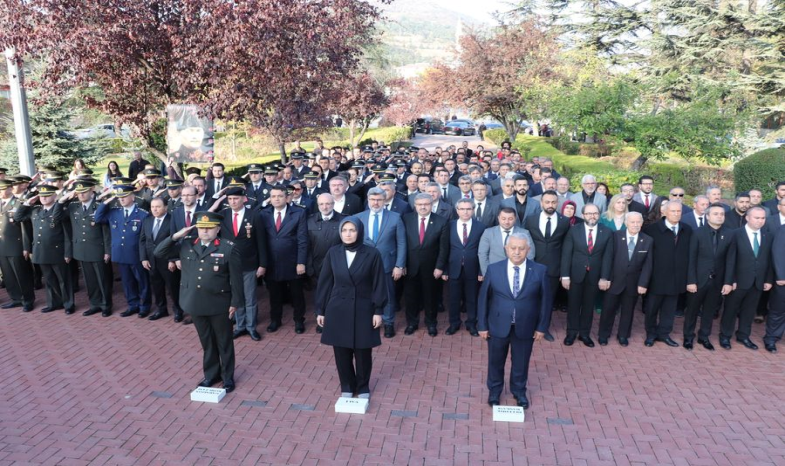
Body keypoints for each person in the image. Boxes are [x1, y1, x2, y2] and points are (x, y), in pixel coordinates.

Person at [154, 212, 243, 393]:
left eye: (209, 228)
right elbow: (159, 252)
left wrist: (235, 302)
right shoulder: (186, 244)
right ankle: (211, 374)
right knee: (207, 341)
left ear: (217, 229)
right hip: (194, 301)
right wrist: (176, 236)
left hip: (219, 302)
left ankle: (227, 377)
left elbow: (236, 279)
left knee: (224, 341)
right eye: (201, 228)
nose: (205, 231)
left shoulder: (228, 248)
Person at [315, 217, 388, 399]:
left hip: (364, 308)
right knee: (341, 351)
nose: (348, 234)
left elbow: (379, 283)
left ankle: (363, 387)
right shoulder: (333, 252)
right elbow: (325, 283)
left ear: (359, 232)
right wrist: (320, 309)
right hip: (338, 308)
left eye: (352, 230)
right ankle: (347, 385)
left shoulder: (372, 254)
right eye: (344, 230)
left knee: (363, 351)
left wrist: (378, 310)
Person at [478, 233, 551, 409]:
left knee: (521, 362)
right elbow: (483, 298)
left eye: (521, 248)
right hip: (497, 325)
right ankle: (495, 391)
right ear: (506, 249)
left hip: (525, 326)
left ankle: (519, 391)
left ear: (528, 249)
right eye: (513, 248)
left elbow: (546, 302)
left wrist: (542, 327)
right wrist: (482, 325)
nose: (517, 252)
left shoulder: (540, 270)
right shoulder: (494, 269)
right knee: (495, 361)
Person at [15, 185, 75, 315]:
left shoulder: (60, 210)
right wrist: (26, 203)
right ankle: (54, 303)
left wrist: (68, 252)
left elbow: (67, 234)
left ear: (54, 196)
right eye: (41, 196)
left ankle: (68, 304)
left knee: (63, 280)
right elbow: (18, 218)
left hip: (58, 251)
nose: (43, 198)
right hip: (41, 251)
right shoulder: (35, 211)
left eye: (47, 195)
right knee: (49, 279)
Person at [719, 207, 774, 350]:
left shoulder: (767, 236)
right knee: (730, 310)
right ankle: (725, 336)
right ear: (747, 218)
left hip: (757, 281)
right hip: (738, 282)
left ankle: (743, 335)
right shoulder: (735, 234)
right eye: (757, 218)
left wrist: (768, 279)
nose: (760, 221)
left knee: (749, 311)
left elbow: (768, 259)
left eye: (763, 218)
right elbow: (730, 260)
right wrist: (730, 281)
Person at [94, 184, 152, 318]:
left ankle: (144, 306)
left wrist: (145, 256)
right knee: (127, 282)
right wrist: (106, 201)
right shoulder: (114, 212)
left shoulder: (142, 214)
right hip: (120, 254)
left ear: (133, 197)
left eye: (124, 196)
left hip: (137, 255)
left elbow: (146, 237)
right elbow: (98, 218)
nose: (122, 199)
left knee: (142, 282)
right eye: (119, 197)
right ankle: (133, 305)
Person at [560, 203, 614, 347]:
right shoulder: (573, 231)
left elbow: (608, 257)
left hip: (594, 276)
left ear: (599, 214)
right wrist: (565, 275)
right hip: (575, 274)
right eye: (589, 213)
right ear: (583, 215)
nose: (592, 216)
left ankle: (584, 334)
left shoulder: (607, 232)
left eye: (595, 213)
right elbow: (566, 254)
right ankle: (571, 333)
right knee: (573, 305)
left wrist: (604, 277)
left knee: (588, 306)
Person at [218, 187, 268, 341]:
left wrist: (262, 264)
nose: (233, 202)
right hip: (229, 265)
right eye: (230, 199)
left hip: (249, 264)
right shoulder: (222, 215)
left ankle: (251, 327)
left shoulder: (254, 215)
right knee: (236, 297)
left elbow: (261, 241)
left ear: (244, 199)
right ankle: (240, 326)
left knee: (250, 298)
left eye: (236, 198)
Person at [357, 188, 406, 338]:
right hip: (364, 265)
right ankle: (369, 322)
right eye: (372, 199)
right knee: (365, 295)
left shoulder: (395, 217)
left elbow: (402, 243)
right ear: (368, 199)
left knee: (388, 296)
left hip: (387, 264)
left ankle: (389, 323)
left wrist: (399, 265)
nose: (375, 202)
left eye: (379, 199)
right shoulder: (358, 217)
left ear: (384, 200)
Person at [598, 212, 652, 346]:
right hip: (614, 281)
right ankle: (603, 334)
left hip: (633, 283)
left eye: (638, 222)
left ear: (642, 223)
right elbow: (608, 258)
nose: (635, 225)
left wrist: (643, 283)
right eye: (632, 222)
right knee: (608, 310)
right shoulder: (615, 236)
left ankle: (623, 335)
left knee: (628, 311)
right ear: (626, 223)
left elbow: (648, 264)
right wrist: (606, 278)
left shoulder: (647, 240)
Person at [260, 186, 309, 333]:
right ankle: (275, 320)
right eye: (273, 196)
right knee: (274, 294)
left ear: (287, 197)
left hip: (292, 261)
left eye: (280, 196)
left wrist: (301, 262)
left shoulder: (299, 213)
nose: (276, 199)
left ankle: (299, 321)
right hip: (271, 262)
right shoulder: (264, 213)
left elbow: (302, 240)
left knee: (297, 294)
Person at [642, 201, 691, 347]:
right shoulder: (651, 230)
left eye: (678, 211)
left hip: (676, 278)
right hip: (656, 277)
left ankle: (664, 334)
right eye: (673, 211)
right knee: (652, 309)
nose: (676, 214)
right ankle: (651, 334)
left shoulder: (686, 230)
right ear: (664, 212)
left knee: (670, 310)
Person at [61, 180, 113, 317]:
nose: (81, 195)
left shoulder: (99, 206)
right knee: (89, 280)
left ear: (92, 191)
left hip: (97, 248)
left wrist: (108, 250)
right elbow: (57, 215)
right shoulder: (73, 207)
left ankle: (106, 305)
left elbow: (106, 231)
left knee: (103, 279)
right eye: (79, 193)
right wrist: (63, 200)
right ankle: (94, 304)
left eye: (84, 192)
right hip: (81, 249)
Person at [684, 204, 731, 351]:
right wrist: (691, 280)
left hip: (717, 281)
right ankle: (688, 337)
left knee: (710, 311)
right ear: (708, 216)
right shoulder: (697, 233)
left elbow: (731, 260)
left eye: (722, 214)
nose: (719, 216)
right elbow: (691, 258)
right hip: (698, 280)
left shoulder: (729, 234)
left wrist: (728, 282)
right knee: (692, 310)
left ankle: (704, 337)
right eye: (716, 213)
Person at [525, 191, 571, 342]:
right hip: (532, 266)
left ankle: (543, 328)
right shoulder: (531, 220)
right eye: (547, 202)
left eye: (553, 202)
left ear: (557, 203)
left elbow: (566, 248)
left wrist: (563, 271)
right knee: (530, 298)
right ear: (541, 203)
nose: (550, 205)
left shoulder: (565, 221)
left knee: (547, 300)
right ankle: (528, 326)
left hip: (553, 268)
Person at [402, 193, 449, 336]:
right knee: (411, 297)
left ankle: (431, 323)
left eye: (426, 204)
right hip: (410, 267)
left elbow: (444, 248)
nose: (423, 207)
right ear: (415, 205)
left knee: (431, 297)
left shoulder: (441, 221)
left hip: (431, 268)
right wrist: (401, 264)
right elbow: (401, 243)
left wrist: (440, 267)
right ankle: (412, 323)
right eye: (420, 204)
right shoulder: (406, 219)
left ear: (431, 205)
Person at [444, 199, 486, 337]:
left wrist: (481, 270)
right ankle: (454, 323)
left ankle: (471, 324)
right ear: (457, 210)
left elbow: (483, 250)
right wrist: (444, 269)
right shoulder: (449, 225)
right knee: (453, 298)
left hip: (473, 269)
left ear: (473, 210)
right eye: (462, 209)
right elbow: (444, 249)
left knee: (472, 298)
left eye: (468, 209)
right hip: (453, 268)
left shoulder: (481, 227)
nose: (465, 211)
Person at [139, 197, 183, 321]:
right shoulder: (147, 220)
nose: (155, 209)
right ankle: (161, 309)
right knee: (156, 287)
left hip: (167, 261)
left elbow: (176, 241)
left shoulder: (172, 220)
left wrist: (172, 259)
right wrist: (144, 258)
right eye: (153, 207)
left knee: (172, 287)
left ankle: (178, 310)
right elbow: (142, 240)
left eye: (158, 207)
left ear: (165, 207)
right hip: (151, 261)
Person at [0, 179, 35, 312]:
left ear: (10, 189)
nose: (1, 193)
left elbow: (24, 227)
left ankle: (27, 300)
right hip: (2, 246)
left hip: (16, 245)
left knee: (21, 273)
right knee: (8, 275)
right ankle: (15, 298)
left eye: (2, 189)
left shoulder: (19, 203)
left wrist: (26, 247)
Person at [763, 225, 785, 352]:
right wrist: (781, 275)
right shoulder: (783, 229)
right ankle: (771, 338)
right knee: (778, 311)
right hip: (783, 281)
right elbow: (778, 253)